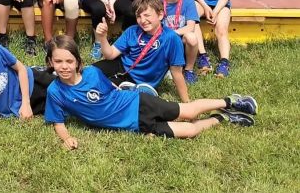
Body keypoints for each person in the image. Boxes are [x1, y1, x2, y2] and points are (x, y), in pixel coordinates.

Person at [43, 35, 257, 149]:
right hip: (135, 125)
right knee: (189, 131)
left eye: (69, 61)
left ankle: (230, 101)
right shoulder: (55, 91)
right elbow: (58, 123)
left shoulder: (93, 74)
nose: (64, 66)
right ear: (51, 62)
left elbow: (114, 92)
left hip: (138, 103)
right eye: (58, 61)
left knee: (189, 112)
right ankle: (224, 118)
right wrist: (67, 138)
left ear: (77, 61)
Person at [93, 0, 189, 101]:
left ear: (160, 15)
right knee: (89, 74)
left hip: (141, 82)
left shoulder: (171, 38)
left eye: (147, 15)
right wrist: (102, 37)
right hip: (122, 67)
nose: (142, 20)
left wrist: (187, 102)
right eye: (138, 16)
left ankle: (130, 92)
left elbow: (176, 73)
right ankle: (122, 90)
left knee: (104, 94)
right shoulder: (132, 30)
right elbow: (110, 55)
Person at [161, 0, 201, 83]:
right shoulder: (158, 3)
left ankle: (189, 70)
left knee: (192, 38)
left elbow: (190, 27)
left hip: (181, 40)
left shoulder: (188, 2)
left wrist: (173, 33)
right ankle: (166, 67)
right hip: (165, 42)